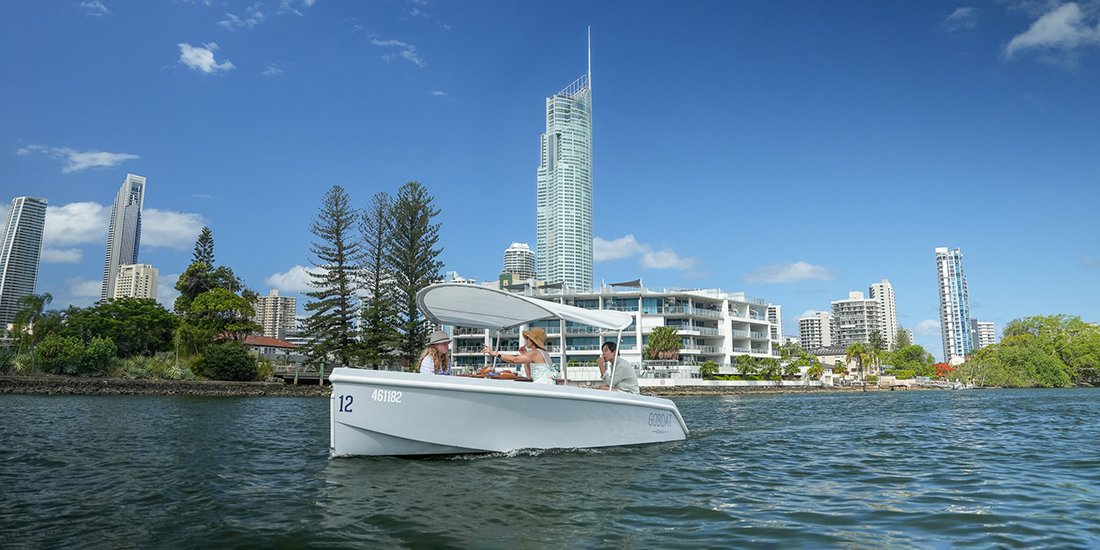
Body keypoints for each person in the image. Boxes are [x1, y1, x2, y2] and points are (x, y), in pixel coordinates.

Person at [482, 327, 557, 384]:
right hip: (547, 385)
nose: (526, 340)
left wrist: (496, 354)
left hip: (543, 385)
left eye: (527, 338)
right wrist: (524, 355)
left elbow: (515, 360)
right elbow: (529, 376)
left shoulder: (535, 352)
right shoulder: (543, 352)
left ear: (532, 340)